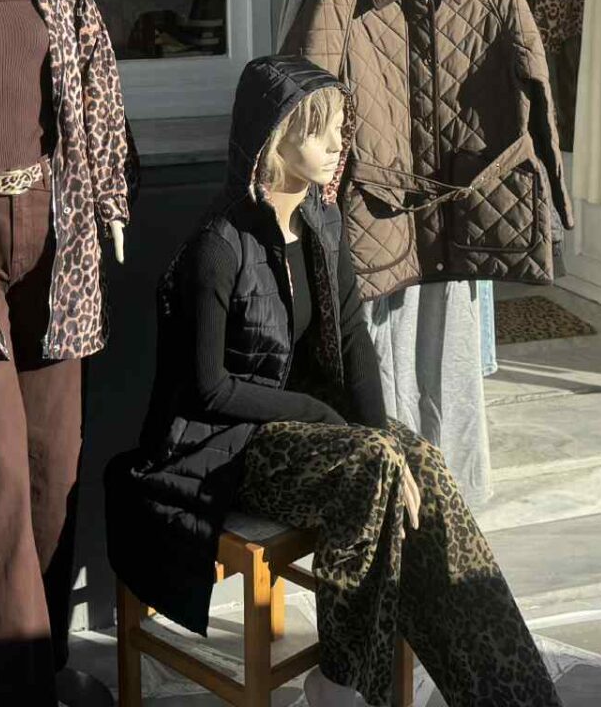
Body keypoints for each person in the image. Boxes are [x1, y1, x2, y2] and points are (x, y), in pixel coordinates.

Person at [106, 56, 561, 707]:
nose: (336, 142)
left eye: (341, 127)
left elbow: (352, 338)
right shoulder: (218, 244)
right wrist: (333, 424)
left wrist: (385, 439)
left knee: (422, 465)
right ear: (274, 137)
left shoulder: (322, 221)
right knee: (371, 468)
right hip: (223, 446)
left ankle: (512, 693)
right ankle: (341, 682)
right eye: (318, 130)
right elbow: (208, 390)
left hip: (297, 428)